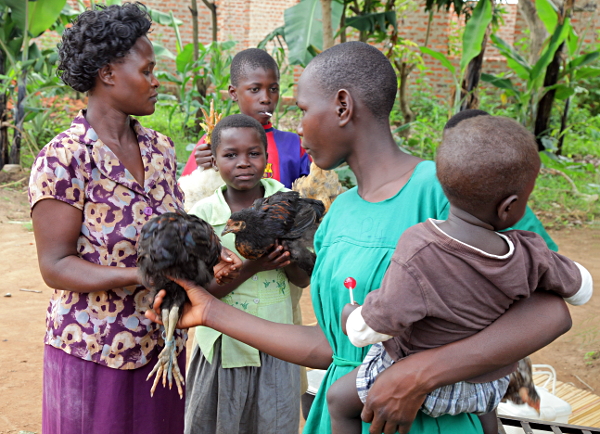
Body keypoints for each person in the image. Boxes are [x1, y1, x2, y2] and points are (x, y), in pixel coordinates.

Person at [147, 42, 572, 434]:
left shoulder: (448, 191)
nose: (297, 128)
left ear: (343, 106)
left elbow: (550, 310)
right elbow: (332, 348)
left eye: (302, 109)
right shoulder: (339, 214)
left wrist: (421, 373)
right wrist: (208, 313)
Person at [28, 4, 239, 434]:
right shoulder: (64, 158)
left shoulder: (160, 150)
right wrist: (138, 276)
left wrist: (211, 255)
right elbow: (55, 266)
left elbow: (175, 231)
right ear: (108, 74)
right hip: (93, 350)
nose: (156, 80)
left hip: (159, 347)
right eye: (147, 70)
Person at [327, 114, 594, 434]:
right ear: (508, 207)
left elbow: (378, 321)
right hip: (485, 386)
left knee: (338, 400)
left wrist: (351, 318)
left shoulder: (419, 248)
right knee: (487, 416)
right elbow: (580, 286)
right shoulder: (529, 252)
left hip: (420, 385)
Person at [184, 114, 310, 434]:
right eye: (230, 155)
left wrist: (289, 259)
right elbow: (203, 293)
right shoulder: (202, 217)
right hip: (220, 350)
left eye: (254, 153)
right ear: (214, 160)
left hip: (277, 347)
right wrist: (252, 265)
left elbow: (303, 279)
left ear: (267, 157)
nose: (243, 162)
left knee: (273, 424)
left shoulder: (287, 206)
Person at [181, 48, 311, 189]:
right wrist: (202, 169)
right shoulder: (214, 142)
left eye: (273, 89)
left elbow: (314, 192)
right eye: (255, 89)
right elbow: (186, 195)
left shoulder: (293, 144)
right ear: (233, 93)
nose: (266, 99)